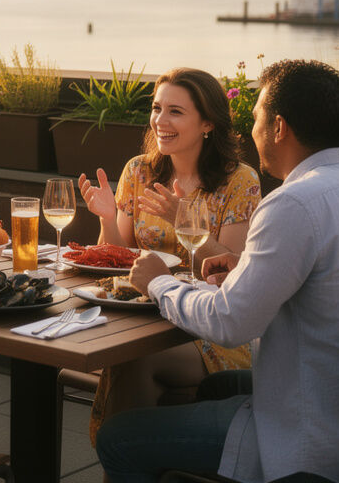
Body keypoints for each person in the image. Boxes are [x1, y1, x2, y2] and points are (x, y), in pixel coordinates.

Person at [97, 60, 339, 483]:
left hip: (314, 431)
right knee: (213, 389)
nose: (251, 131)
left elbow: (230, 323)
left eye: (255, 117)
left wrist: (158, 282)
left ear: (279, 128)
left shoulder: (293, 203)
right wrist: (244, 268)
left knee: (118, 438)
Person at [78, 67, 259, 436]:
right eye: (157, 108)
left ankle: (126, 454)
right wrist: (108, 218)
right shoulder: (138, 172)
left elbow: (232, 274)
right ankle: (134, 456)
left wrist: (184, 221)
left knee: (133, 363)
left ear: (207, 123)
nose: (160, 120)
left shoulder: (240, 181)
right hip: (144, 320)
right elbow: (122, 261)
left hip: (209, 329)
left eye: (176, 111)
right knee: (130, 357)